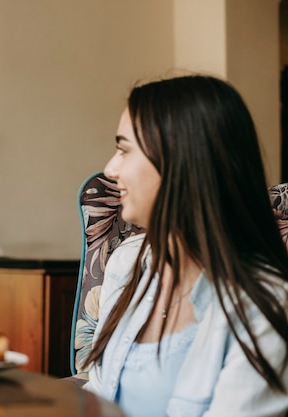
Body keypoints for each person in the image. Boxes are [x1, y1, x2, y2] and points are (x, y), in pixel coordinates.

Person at [82, 75, 288, 416]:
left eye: (124, 149)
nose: (110, 168)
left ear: (182, 161)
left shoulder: (265, 306)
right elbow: (98, 396)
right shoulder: (127, 263)